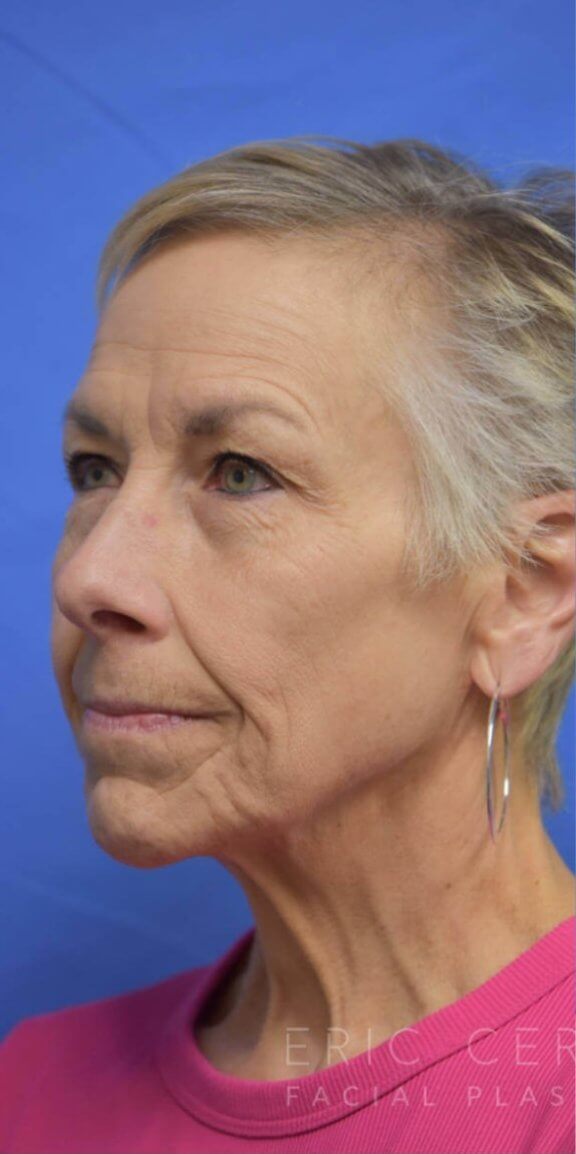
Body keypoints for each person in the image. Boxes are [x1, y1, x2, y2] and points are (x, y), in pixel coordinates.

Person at [1, 135, 574, 1154]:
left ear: (524, 592)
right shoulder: (31, 1088)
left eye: (239, 471)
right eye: (95, 469)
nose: (89, 580)